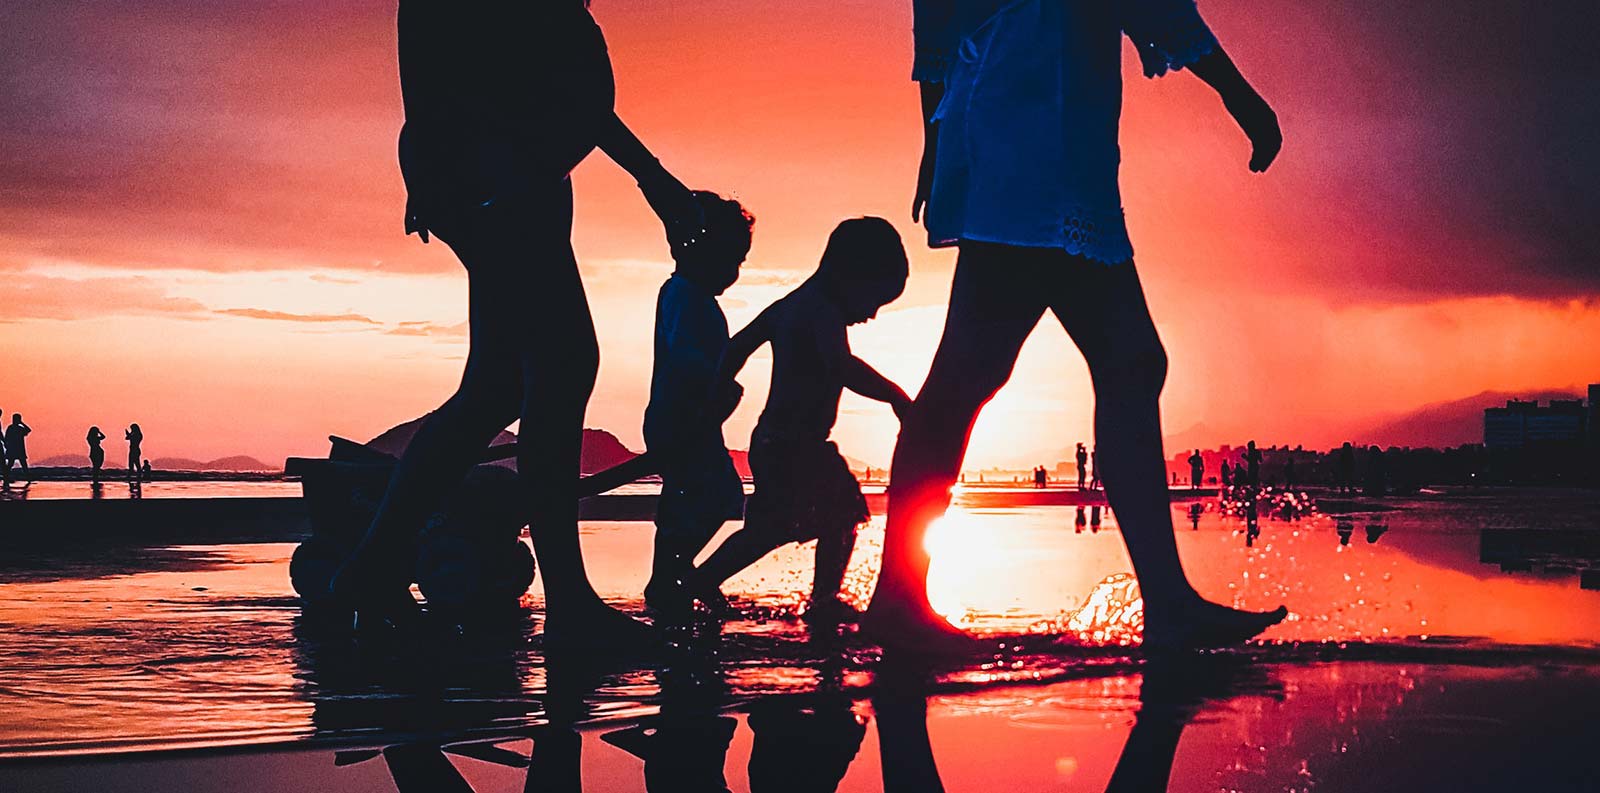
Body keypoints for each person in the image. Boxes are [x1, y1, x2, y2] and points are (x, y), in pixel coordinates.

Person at [866, 0, 1287, 651]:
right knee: (1006, 368)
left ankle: (1164, 601)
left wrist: (934, 134)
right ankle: (899, 598)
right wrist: (1238, 94)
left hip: (1034, 129)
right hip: (1037, 129)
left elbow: (938, 22)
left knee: (1098, 363)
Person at [328, 2, 707, 645]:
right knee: (561, 365)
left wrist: (653, 179)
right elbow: (450, 45)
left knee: (499, 385)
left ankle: (373, 567)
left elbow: (561, 83)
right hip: (495, 171)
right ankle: (570, 606)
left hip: (513, 168)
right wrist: (440, 155)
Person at [681, 218, 913, 625]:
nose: (872, 315)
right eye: (873, 300)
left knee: (769, 528)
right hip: (798, 444)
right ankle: (824, 601)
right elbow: (841, 366)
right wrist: (895, 395)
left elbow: (738, 345)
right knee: (844, 515)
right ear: (851, 273)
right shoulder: (821, 311)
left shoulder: (789, 305)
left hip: (772, 441)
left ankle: (702, 579)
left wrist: (719, 387)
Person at [641, 192, 754, 612]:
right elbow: (685, 355)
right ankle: (674, 575)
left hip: (691, 418)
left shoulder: (691, 297)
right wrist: (718, 383)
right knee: (715, 493)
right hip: (681, 418)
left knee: (695, 498)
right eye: (731, 260)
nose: (734, 272)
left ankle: (672, 574)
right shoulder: (684, 296)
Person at [4, 414, 31, 480]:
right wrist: (21, 423)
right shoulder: (15, 428)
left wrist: (7, 445)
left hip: (16, 449)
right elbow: (28, 430)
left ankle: (6, 477)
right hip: (16, 449)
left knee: (20, 464)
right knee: (16, 463)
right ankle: (6, 477)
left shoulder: (15, 428)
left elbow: (28, 430)